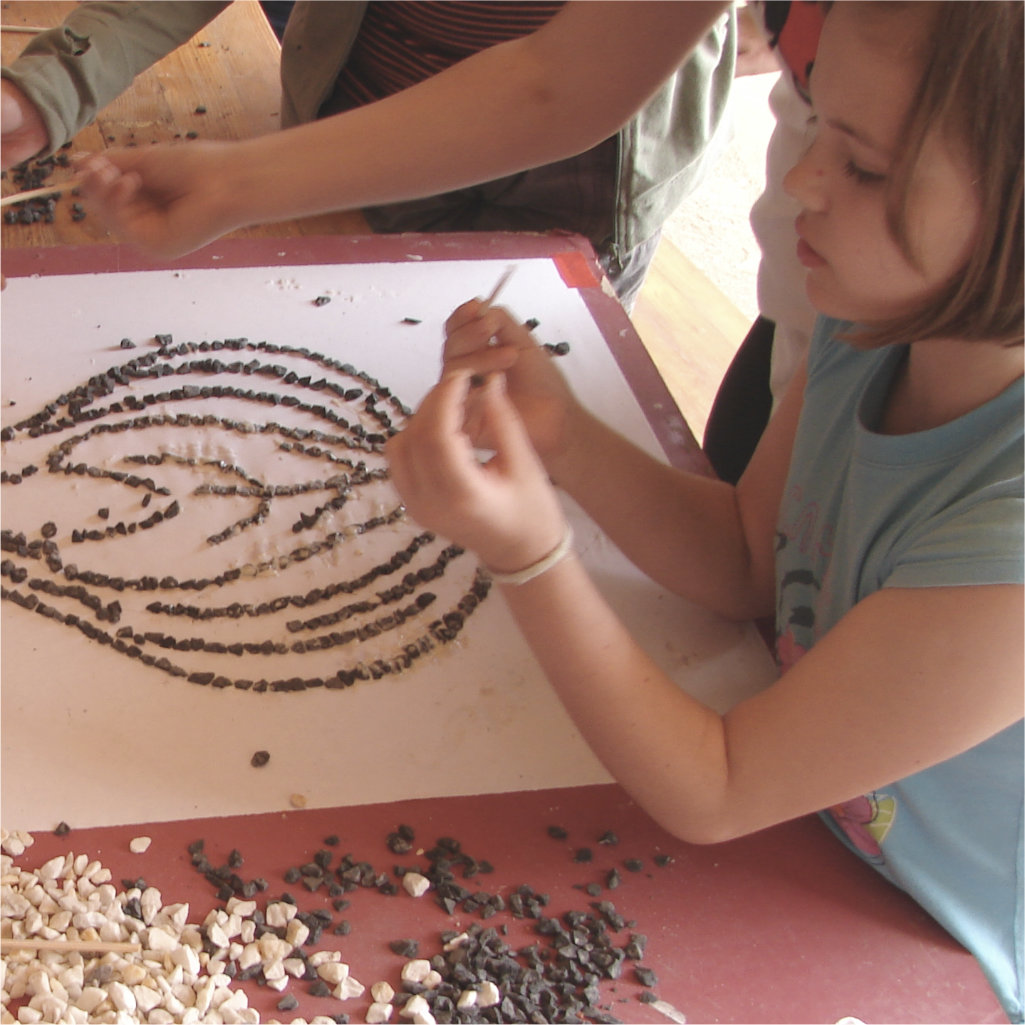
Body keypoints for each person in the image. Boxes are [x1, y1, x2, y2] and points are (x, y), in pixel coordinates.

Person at [385, 2, 1024, 1018]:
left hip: (932, 942)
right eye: (816, 118)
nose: (802, 180)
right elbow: (746, 556)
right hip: (802, 829)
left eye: (864, 167)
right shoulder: (874, 320)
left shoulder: (1007, 539)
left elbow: (716, 786)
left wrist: (529, 552)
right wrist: (566, 437)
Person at [0, 1, 736, 308]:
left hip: (578, 183)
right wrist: (49, 87)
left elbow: (558, 84)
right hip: (341, 134)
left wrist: (235, 184)